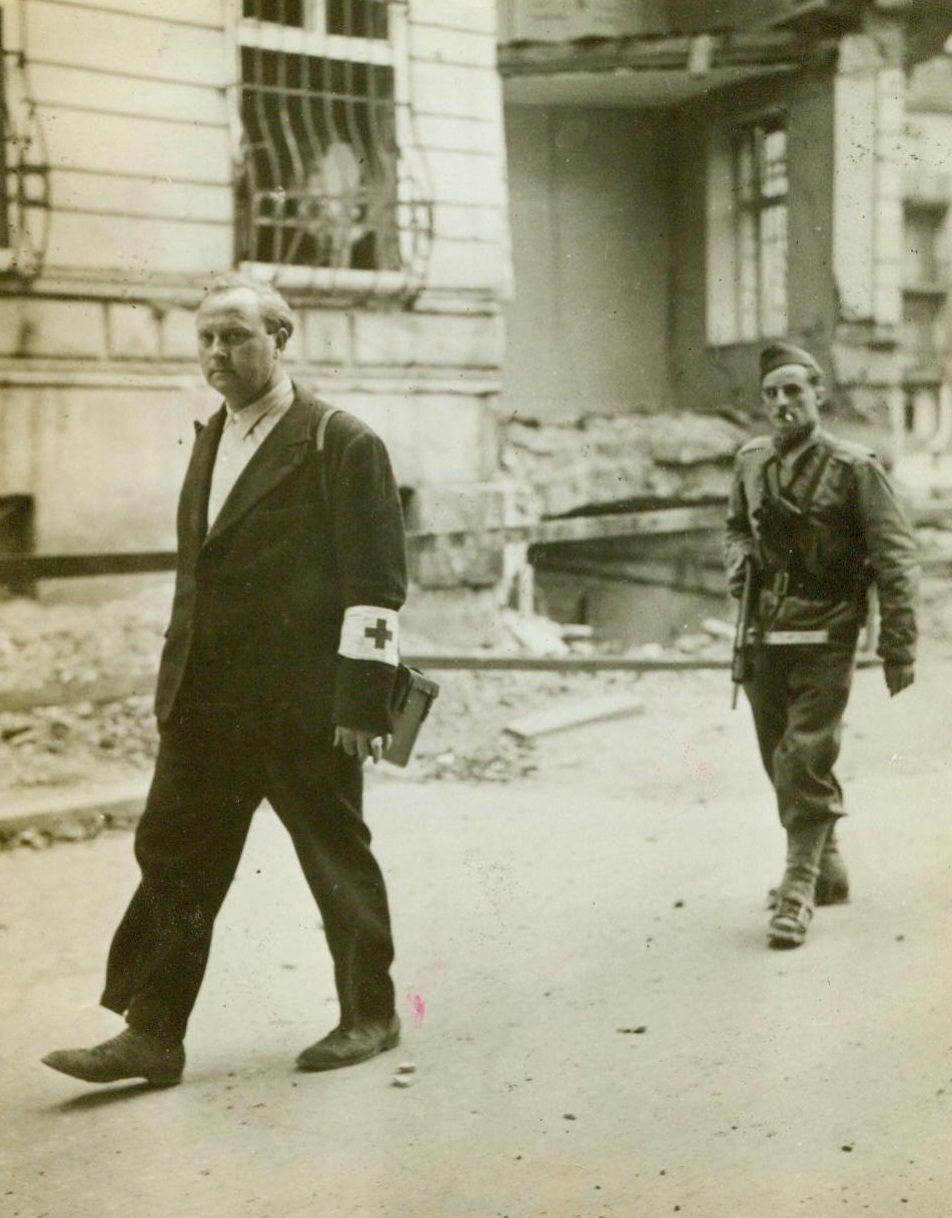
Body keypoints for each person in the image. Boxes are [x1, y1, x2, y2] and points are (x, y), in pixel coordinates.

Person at [42, 273, 408, 1086]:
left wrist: (361, 703)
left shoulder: (340, 441)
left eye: (236, 336)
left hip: (305, 705)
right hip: (206, 704)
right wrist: (174, 687)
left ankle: (371, 1016)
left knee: (332, 855)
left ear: (281, 338)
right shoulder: (212, 435)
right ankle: (153, 1035)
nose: (217, 352)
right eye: (206, 337)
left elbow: (377, 585)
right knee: (176, 857)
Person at [726, 341, 918, 949]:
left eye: (794, 392)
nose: (783, 404)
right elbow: (735, 528)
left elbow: (896, 559)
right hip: (763, 634)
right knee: (775, 756)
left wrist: (898, 647)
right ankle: (828, 868)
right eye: (772, 395)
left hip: (827, 632)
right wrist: (739, 567)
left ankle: (798, 887)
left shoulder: (855, 469)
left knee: (803, 758)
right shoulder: (751, 462)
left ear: (818, 395)